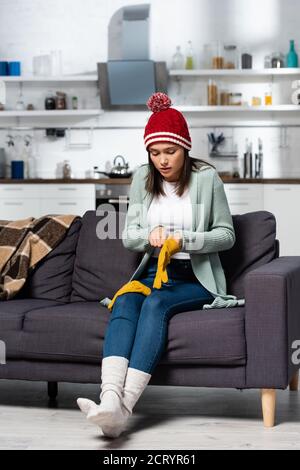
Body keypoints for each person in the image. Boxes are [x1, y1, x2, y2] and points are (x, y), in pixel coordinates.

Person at [77, 92, 236, 438]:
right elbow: (129, 236)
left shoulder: (207, 179)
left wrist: (186, 240)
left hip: (193, 275)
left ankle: (124, 408)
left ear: (185, 147)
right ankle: (109, 401)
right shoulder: (141, 180)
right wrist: (150, 235)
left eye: (170, 151)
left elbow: (226, 235)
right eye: (155, 152)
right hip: (151, 272)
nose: (162, 160)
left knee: (156, 303)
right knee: (127, 300)